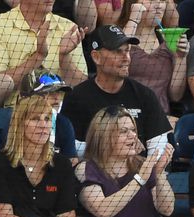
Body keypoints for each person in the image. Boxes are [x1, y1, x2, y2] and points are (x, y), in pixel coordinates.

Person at [0, 94, 81, 217]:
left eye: (47, 119)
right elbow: (3, 216)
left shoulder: (61, 164)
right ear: (20, 124)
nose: (43, 125)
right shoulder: (0, 161)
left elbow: (68, 214)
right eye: (36, 119)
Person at [75, 105, 176, 217]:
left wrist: (159, 174)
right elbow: (103, 211)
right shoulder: (86, 168)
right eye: (123, 131)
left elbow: (167, 209)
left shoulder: (143, 165)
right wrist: (139, 179)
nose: (132, 135)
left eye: (133, 130)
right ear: (104, 137)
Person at [61, 24, 171, 152]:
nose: (126, 58)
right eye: (117, 52)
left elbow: (159, 148)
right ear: (96, 57)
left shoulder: (144, 95)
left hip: (139, 169)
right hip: (92, 170)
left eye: (127, 50)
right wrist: (114, 149)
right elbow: (71, 152)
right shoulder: (77, 98)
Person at [0, 0, 89, 102]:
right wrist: (38, 57)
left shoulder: (68, 27)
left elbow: (81, 85)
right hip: (14, 113)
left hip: (60, 110)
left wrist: (64, 57)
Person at [117, 0, 189, 115]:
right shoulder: (118, 36)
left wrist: (181, 58)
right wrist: (133, 20)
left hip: (161, 117)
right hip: (127, 116)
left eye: (162, 1)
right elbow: (118, 58)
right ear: (133, 4)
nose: (158, 6)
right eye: (151, 0)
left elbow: (175, 96)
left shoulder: (168, 41)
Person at [19, 66, 77, 159]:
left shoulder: (63, 123)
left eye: (60, 92)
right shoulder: (12, 122)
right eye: (48, 93)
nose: (57, 98)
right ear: (28, 97)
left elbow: (72, 161)